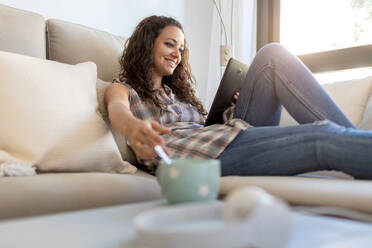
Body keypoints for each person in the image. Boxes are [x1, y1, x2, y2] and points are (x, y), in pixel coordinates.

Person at [105, 15, 372, 179]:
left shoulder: (178, 95)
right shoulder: (124, 88)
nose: (177, 53)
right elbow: (118, 110)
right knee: (322, 137)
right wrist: (134, 127)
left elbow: (207, 130)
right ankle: (358, 146)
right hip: (198, 159)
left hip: (222, 138)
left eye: (181, 48)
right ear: (147, 45)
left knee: (272, 55)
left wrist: (230, 111)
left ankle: (357, 146)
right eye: (169, 44)